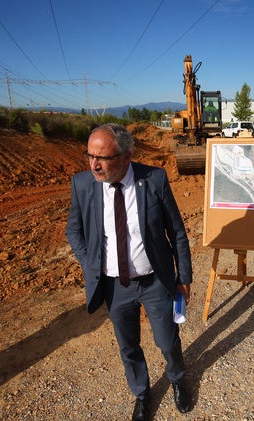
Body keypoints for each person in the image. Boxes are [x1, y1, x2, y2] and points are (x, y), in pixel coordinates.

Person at [65, 123, 193, 420]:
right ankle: (142, 393)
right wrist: (91, 264)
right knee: (128, 345)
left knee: (167, 340)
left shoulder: (154, 179)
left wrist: (183, 278)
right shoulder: (83, 184)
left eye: (103, 158)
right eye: (89, 155)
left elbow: (177, 232)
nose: (94, 164)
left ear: (126, 156)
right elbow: (74, 231)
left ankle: (176, 379)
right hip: (114, 285)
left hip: (155, 281)